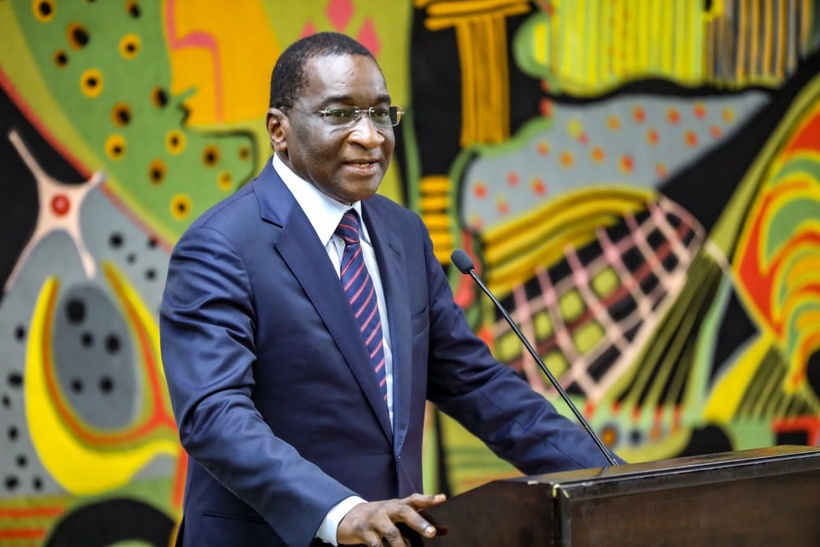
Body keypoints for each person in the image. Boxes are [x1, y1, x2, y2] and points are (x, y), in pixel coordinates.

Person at [160, 31, 623, 547]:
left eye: (381, 114)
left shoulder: (403, 234)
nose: (370, 136)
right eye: (340, 114)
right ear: (279, 129)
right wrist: (341, 512)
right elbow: (214, 416)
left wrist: (615, 480)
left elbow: (476, 385)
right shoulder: (221, 246)